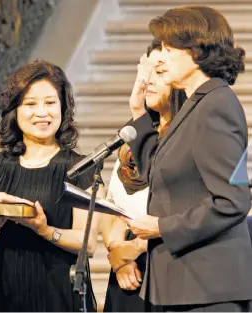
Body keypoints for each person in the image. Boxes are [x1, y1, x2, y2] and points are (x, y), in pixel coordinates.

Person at [123, 6, 252, 312]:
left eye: (168, 49)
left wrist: (162, 227)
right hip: (185, 286)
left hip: (209, 288)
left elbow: (232, 201)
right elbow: (158, 170)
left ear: (196, 51)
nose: (161, 58)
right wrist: (139, 114)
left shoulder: (216, 104)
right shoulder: (196, 105)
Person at [0, 59, 103, 312]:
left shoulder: (82, 168)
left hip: (56, 294)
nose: (42, 113)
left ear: (63, 108)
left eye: (50, 103)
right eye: (30, 104)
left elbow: (88, 243)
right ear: (14, 111)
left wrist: (45, 229)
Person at [102, 40, 185, 312]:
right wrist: (119, 257)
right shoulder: (132, 135)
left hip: (174, 266)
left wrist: (135, 248)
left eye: (159, 72)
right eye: (145, 71)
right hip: (130, 276)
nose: (148, 81)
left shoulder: (192, 135)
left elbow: (191, 209)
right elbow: (113, 205)